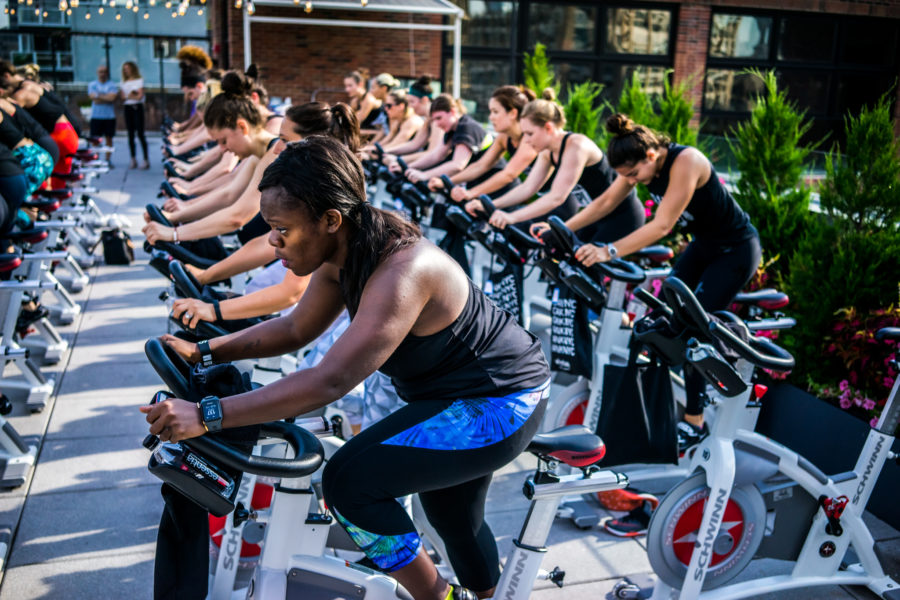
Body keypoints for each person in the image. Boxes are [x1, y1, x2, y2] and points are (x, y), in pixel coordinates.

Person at [142, 136, 551, 600]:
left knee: (351, 485)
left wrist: (206, 414)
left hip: (500, 400)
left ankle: (440, 597)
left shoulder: (403, 271)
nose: (273, 241)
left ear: (331, 220)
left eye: (281, 230)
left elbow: (330, 380)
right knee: (451, 514)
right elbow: (297, 328)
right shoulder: (345, 251)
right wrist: (208, 351)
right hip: (449, 394)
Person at [572, 113, 761, 449]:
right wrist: (566, 229)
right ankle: (651, 408)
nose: (633, 182)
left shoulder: (686, 161)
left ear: (651, 155)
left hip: (735, 251)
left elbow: (661, 226)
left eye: (633, 175)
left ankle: (694, 421)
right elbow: (604, 202)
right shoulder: (641, 163)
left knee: (694, 328)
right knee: (662, 318)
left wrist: (607, 251)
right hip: (704, 247)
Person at [471, 96, 643, 241]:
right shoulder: (547, 151)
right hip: (595, 214)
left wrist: (512, 217)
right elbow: (527, 188)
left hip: (622, 215)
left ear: (548, 127)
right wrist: (491, 206)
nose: (527, 141)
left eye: (530, 134)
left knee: (583, 268)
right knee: (567, 266)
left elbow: (556, 197)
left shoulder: (576, 146)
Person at [435, 85, 539, 200]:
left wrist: (471, 193)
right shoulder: (504, 137)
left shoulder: (530, 138)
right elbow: (481, 165)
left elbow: (508, 175)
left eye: (495, 112)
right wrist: (446, 182)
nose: (491, 117)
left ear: (512, 113)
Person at [400, 94, 491, 183]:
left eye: (439, 118)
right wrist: (408, 167)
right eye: (434, 120)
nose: (437, 124)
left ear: (452, 112)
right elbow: (436, 155)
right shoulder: (453, 129)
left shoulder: (466, 127)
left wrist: (425, 175)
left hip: (489, 183)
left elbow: (457, 165)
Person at [119, 61, 149, 169]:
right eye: (124, 68)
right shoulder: (123, 82)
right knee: (130, 134)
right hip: (128, 108)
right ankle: (133, 158)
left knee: (140, 133)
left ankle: (145, 159)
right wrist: (131, 95)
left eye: (127, 68)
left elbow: (139, 97)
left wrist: (130, 96)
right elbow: (123, 97)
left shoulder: (139, 81)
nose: (126, 70)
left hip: (137, 108)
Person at [88, 65, 119, 164]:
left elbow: (112, 99)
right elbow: (94, 99)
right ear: (97, 73)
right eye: (100, 71)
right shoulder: (92, 84)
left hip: (109, 117)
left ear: (107, 73)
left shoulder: (112, 85)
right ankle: (95, 159)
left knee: (109, 138)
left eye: (104, 72)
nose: (102, 74)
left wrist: (98, 96)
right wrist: (106, 97)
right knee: (95, 139)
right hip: (96, 116)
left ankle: (108, 160)